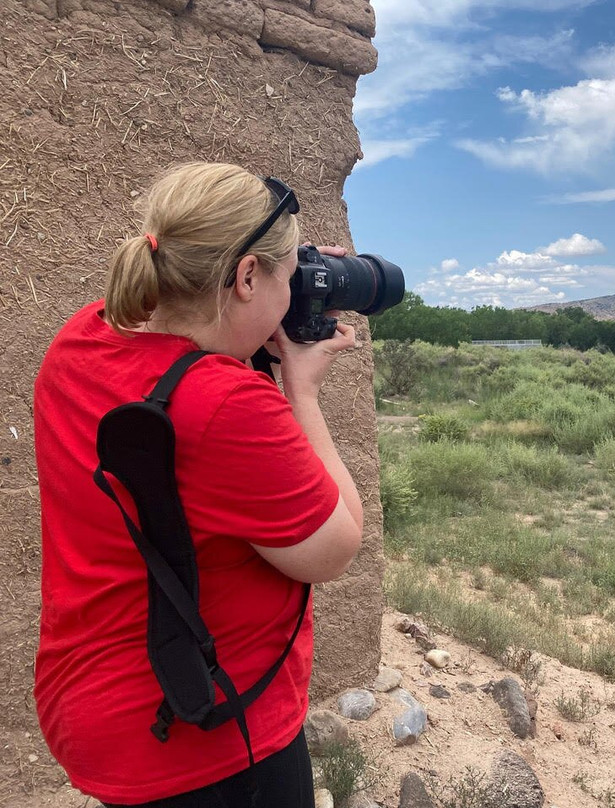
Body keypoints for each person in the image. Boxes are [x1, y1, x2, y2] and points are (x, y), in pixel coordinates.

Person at [33, 162, 366, 807]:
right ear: (246, 277)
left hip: (97, 699)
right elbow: (334, 549)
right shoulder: (227, 403)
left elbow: (181, 342)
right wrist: (301, 392)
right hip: (205, 731)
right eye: (287, 279)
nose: (291, 292)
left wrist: (279, 275)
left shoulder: (82, 338)